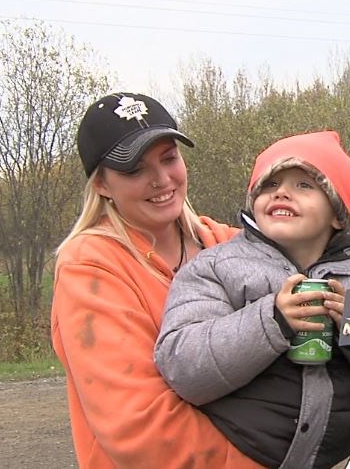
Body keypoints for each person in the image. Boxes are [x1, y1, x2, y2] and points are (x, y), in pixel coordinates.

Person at [51, 92, 262, 468]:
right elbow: (140, 427)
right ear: (101, 184)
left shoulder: (229, 243)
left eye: (169, 158)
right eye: (134, 170)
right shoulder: (90, 267)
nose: (162, 179)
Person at [154, 130, 350, 469]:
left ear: (338, 214)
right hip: (236, 454)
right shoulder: (217, 266)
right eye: (269, 184)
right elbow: (182, 364)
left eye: (304, 185)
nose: (282, 193)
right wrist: (271, 319)